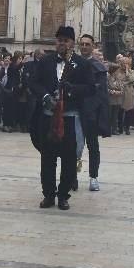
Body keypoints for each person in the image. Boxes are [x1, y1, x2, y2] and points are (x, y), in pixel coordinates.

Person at [28, 26, 94, 210]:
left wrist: (71, 89)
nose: (62, 43)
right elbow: (33, 82)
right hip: (48, 117)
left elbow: (90, 88)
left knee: (69, 160)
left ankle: (63, 195)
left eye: (66, 40)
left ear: (72, 43)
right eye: (59, 40)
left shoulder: (82, 64)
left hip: (69, 118)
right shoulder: (46, 61)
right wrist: (45, 96)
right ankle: (48, 195)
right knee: (47, 158)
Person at [78, 34, 110, 191]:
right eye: (82, 44)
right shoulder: (72, 64)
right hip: (74, 112)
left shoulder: (98, 67)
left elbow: (102, 93)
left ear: (92, 46)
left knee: (92, 146)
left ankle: (93, 177)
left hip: (90, 113)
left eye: (87, 44)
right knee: (73, 147)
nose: (84, 46)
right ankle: (71, 176)